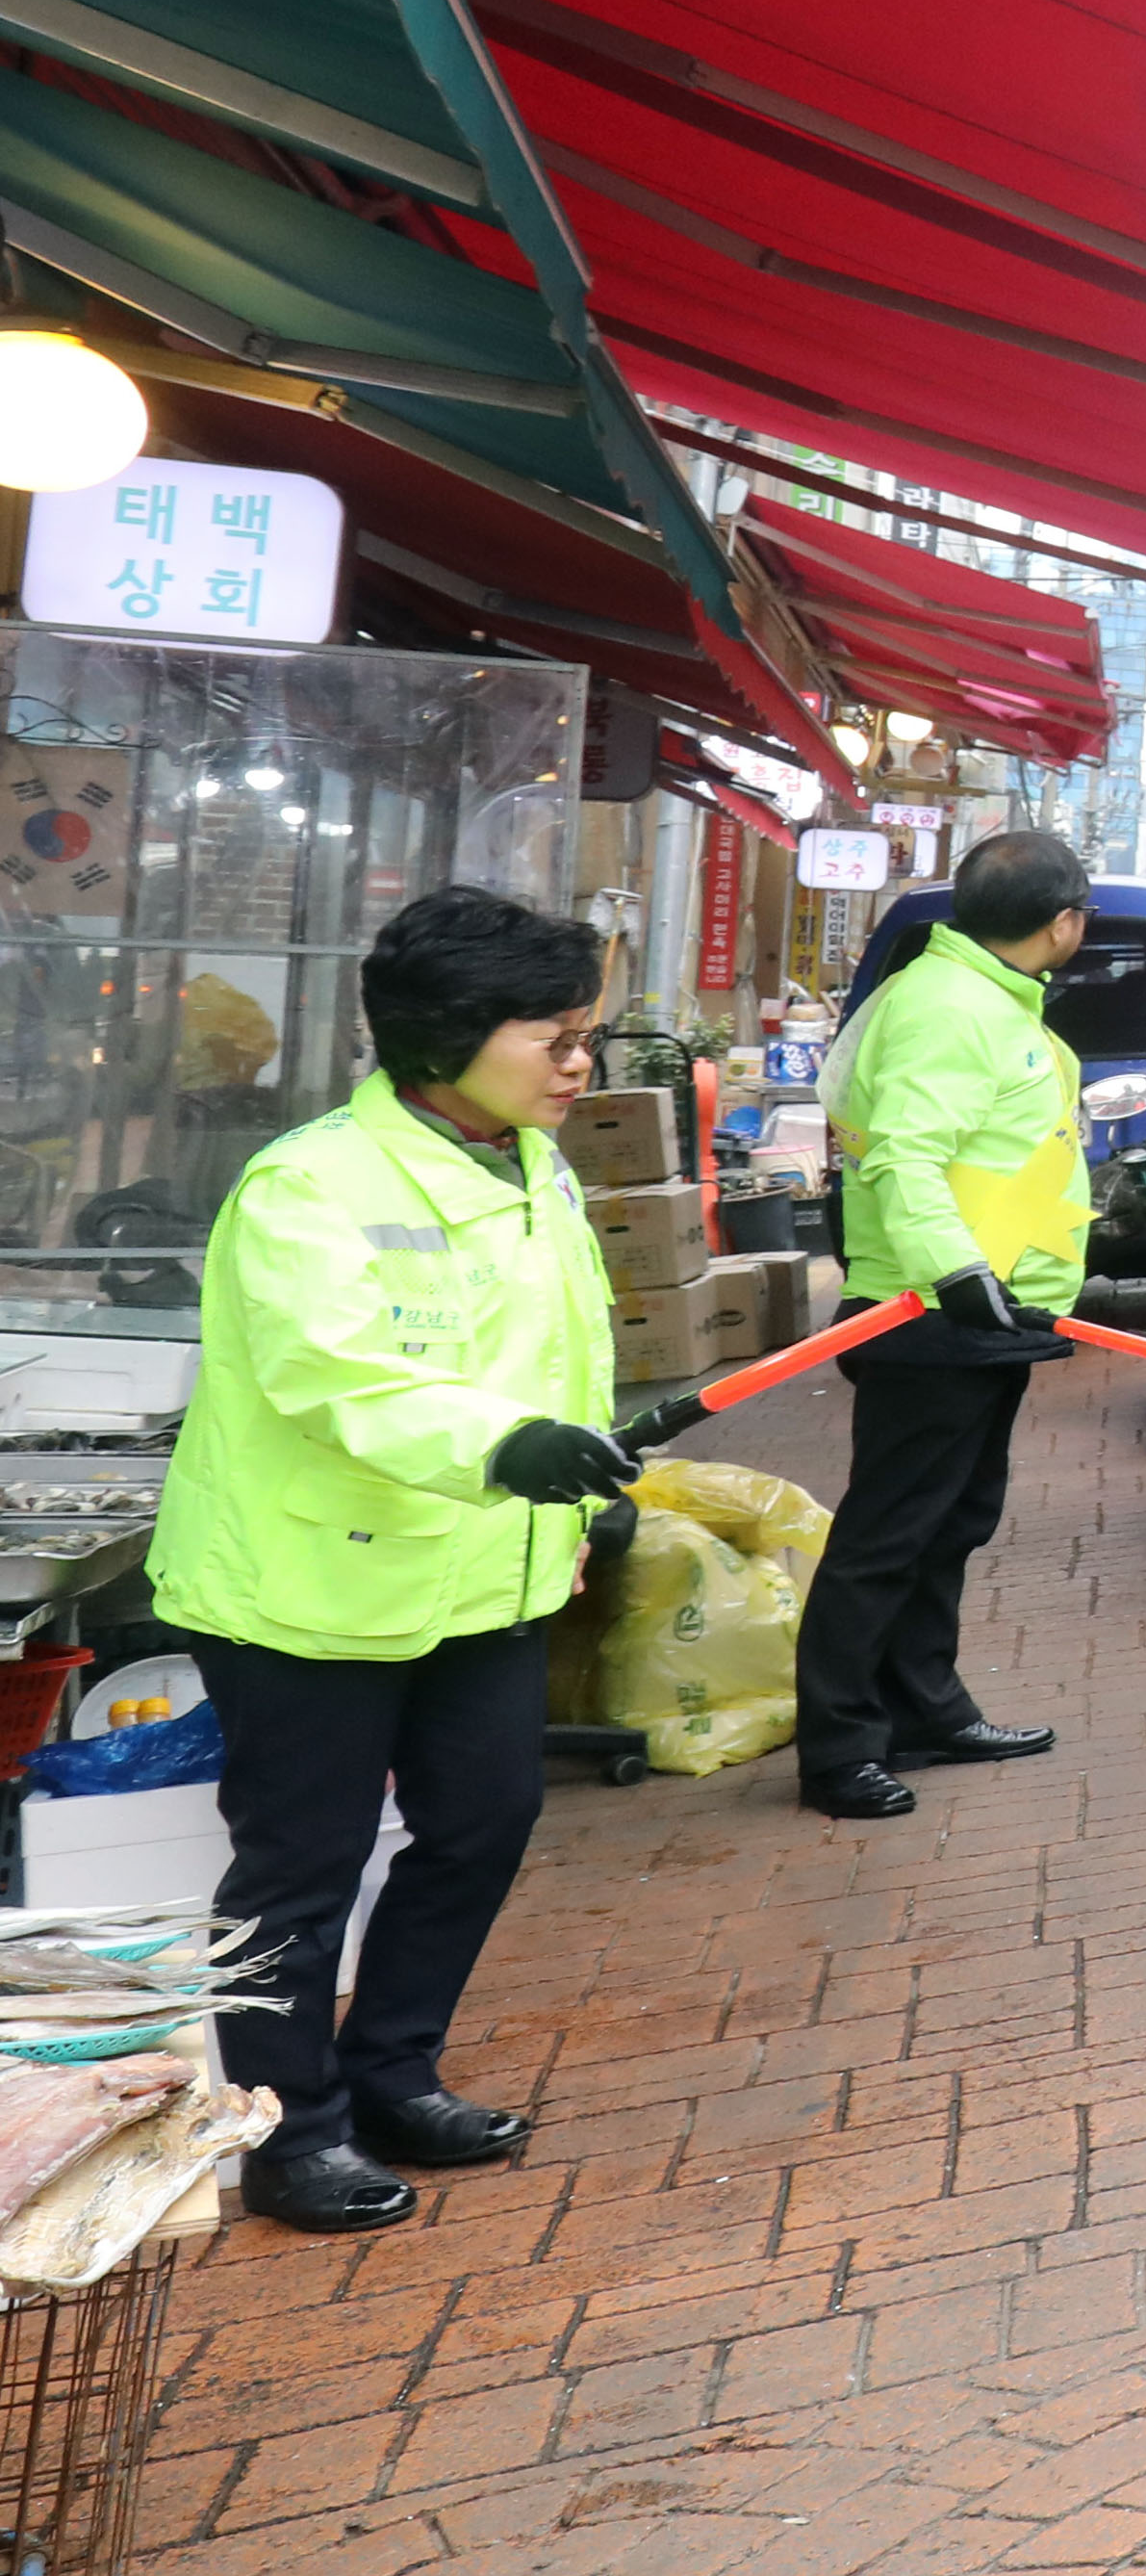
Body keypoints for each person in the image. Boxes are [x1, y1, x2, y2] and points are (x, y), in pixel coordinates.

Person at [149, 887, 638, 2233]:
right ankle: (284, 2130)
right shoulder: (310, 1186)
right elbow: (335, 1377)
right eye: (554, 1035)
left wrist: (579, 1492)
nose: (578, 1060)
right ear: (445, 1040)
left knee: (485, 1820)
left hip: (483, 1571)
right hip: (306, 1589)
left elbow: (557, 1349)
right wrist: (514, 1448)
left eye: (585, 1033)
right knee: (299, 1870)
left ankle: (392, 2071)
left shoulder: (533, 1163)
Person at [802, 834, 1091, 1822]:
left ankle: (925, 1707)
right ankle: (839, 1749)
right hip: (928, 1312)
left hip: (984, 1311)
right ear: (1063, 923)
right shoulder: (949, 1010)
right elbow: (905, 1161)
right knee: (889, 1534)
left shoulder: (987, 1001)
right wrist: (957, 1271)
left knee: (950, 1524)